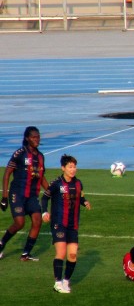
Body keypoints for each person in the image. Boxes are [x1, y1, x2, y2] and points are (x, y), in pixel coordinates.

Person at [41, 154, 90, 294]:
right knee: (61, 252)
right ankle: (57, 282)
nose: (73, 169)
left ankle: (66, 281)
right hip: (59, 223)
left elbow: (80, 196)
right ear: (63, 168)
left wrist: (84, 202)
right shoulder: (56, 183)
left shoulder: (78, 183)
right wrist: (44, 212)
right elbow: (44, 198)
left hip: (73, 225)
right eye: (70, 167)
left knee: (73, 255)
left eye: (74, 166)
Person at [0, 126, 49, 262]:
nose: (37, 140)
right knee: (19, 223)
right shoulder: (20, 153)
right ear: (27, 138)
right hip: (18, 194)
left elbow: (41, 177)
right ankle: (2, 243)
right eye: (33, 137)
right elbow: (7, 173)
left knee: (37, 221)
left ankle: (26, 253)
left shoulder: (40, 157)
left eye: (38, 137)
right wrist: (4, 197)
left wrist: (51, 192)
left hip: (32, 196)